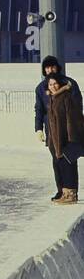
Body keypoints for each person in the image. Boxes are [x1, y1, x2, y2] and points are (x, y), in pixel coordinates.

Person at [35, 56, 84, 199]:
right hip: (51, 130)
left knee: (69, 158)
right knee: (56, 160)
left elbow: (77, 105)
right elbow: (39, 109)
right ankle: (61, 189)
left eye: (53, 67)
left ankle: (71, 190)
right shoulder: (41, 88)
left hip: (67, 129)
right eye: (47, 67)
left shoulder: (69, 84)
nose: (50, 70)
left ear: (58, 68)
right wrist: (38, 128)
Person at [45, 76, 84, 205]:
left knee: (69, 166)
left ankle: (71, 195)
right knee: (62, 166)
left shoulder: (66, 97)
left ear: (60, 84)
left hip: (67, 138)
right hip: (56, 140)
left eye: (55, 84)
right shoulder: (52, 99)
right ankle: (65, 193)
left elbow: (72, 118)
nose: (53, 86)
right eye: (50, 84)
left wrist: (72, 139)